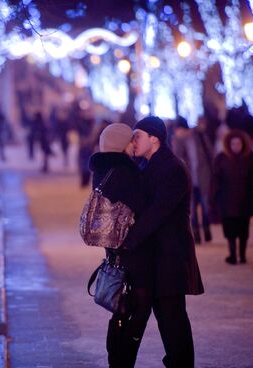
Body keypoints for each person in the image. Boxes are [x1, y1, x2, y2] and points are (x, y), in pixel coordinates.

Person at [123, 116, 204, 368]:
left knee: (173, 316)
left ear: (154, 138)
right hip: (154, 256)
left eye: (137, 136)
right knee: (164, 316)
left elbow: (157, 213)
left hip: (170, 256)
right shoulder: (145, 166)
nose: (133, 141)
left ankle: (180, 363)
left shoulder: (172, 169)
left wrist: (129, 239)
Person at [89, 123, 152, 367]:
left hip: (114, 252)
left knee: (121, 309)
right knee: (138, 310)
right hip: (133, 254)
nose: (134, 145)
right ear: (120, 144)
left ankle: (116, 360)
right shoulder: (126, 173)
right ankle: (122, 362)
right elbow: (143, 207)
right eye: (130, 140)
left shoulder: (102, 171)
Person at [210, 129, 253, 264]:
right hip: (227, 201)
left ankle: (242, 255)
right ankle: (232, 255)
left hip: (244, 201)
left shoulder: (250, 158)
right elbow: (215, 180)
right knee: (230, 230)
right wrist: (212, 199)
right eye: (233, 144)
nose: (236, 146)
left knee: (243, 230)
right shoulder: (221, 159)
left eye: (238, 144)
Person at [171, 116, 213, 243]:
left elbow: (210, 153)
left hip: (203, 178)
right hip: (189, 180)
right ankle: (196, 234)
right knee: (192, 209)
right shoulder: (178, 140)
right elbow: (176, 156)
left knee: (206, 206)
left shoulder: (199, 136)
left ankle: (206, 228)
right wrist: (177, 139)